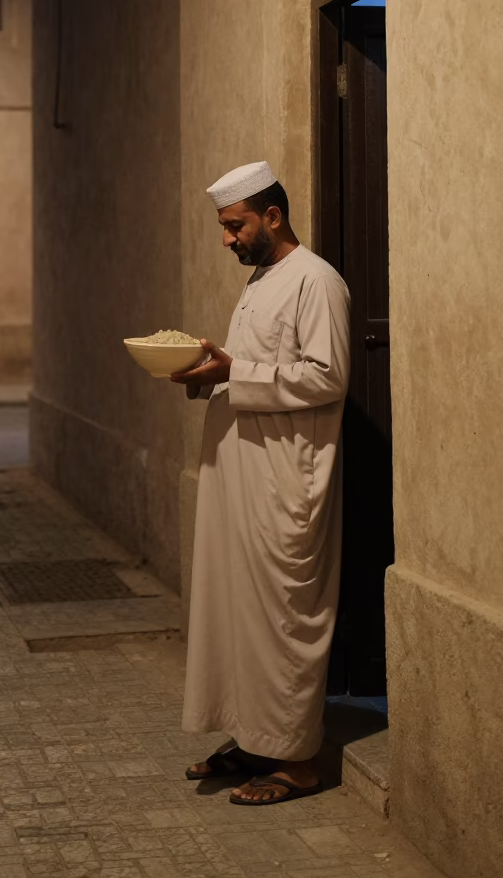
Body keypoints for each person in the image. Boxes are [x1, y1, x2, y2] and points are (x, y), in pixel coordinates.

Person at [171, 160, 350, 806]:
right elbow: (253, 370)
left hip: (285, 483)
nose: (227, 239)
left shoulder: (316, 281)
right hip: (241, 478)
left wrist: (234, 371)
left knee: (281, 619)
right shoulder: (261, 280)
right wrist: (211, 374)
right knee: (238, 615)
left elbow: (326, 377)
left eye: (234, 226)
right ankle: (253, 741)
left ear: (272, 216)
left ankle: (296, 762)